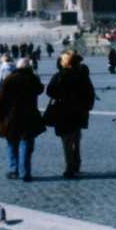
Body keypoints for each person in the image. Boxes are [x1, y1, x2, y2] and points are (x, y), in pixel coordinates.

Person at [0, 58, 46, 182]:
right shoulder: (32, 79)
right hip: (29, 117)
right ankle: (25, 172)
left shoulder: (9, 79)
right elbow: (40, 89)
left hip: (11, 118)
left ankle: (13, 170)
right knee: (26, 145)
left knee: (12, 144)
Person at [45, 51, 95, 179]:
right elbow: (90, 93)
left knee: (67, 140)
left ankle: (69, 167)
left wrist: (61, 96)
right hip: (79, 113)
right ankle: (76, 164)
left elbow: (50, 91)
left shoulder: (60, 76)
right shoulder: (82, 75)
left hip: (63, 113)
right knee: (75, 139)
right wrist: (86, 107)